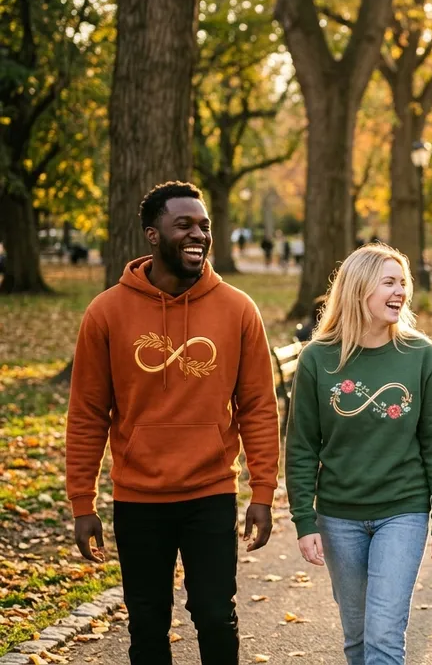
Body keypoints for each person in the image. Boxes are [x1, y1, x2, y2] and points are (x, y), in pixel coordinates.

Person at [66, 181, 279, 664]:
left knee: (214, 615)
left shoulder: (238, 309)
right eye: (183, 224)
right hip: (138, 498)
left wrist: (262, 492)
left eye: (204, 226)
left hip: (210, 493)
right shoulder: (106, 313)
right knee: (146, 622)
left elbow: (259, 409)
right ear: (152, 234)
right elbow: (86, 416)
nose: (198, 234)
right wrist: (82, 501)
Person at [286, 244, 432, 664]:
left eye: (403, 283)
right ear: (358, 288)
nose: (400, 291)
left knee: (383, 636)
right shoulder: (317, 359)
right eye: (389, 282)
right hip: (338, 515)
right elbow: (302, 447)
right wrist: (303, 519)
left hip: (403, 510)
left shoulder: (420, 356)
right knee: (357, 637)